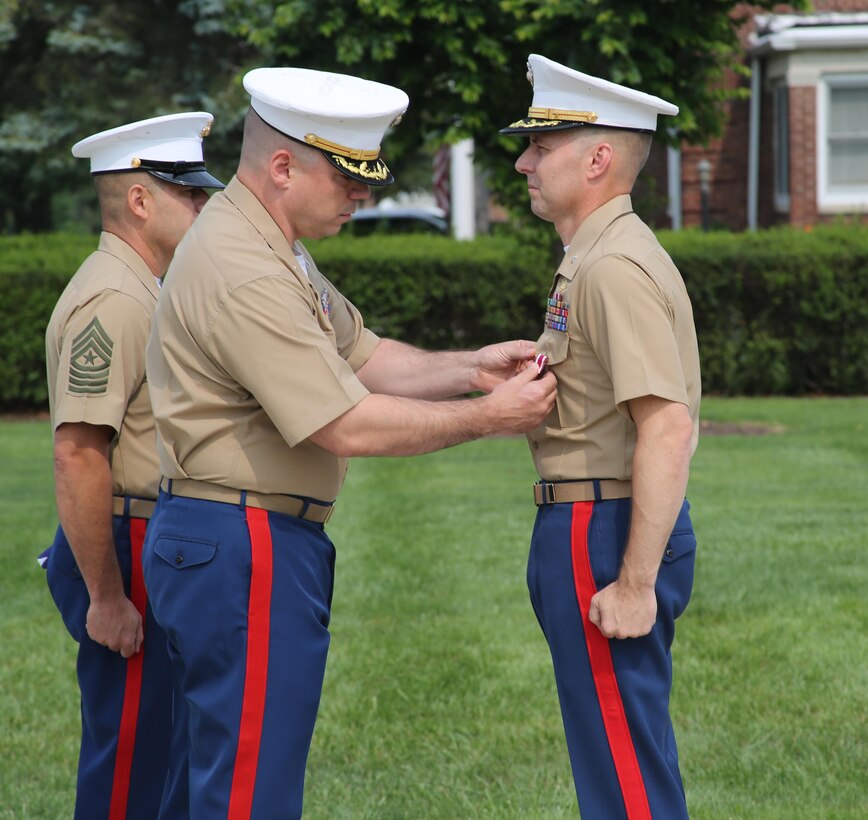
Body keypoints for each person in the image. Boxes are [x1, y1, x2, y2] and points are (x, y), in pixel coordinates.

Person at [141, 66, 557, 819]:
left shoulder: (269, 245)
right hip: (244, 540)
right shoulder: (243, 266)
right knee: (247, 792)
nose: (362, 194)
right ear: (280, 166)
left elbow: (362, 355)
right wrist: (487, 419)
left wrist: (471, 370)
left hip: (233, 534)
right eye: (346, 176)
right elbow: (346, 423)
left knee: (213, 776)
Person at [499, 54, 702, 819]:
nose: (523, 161)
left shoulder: (611, 265)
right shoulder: (594, 256)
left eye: (540, 146)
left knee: (622, 772)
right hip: (591, 517)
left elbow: (666, 425)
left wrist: (636, 583)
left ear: (597, 158)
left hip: (604, 524)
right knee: (616, 759)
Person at [42, 113, 224, 819]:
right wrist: (107, 597)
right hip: (126, 546)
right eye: (192, 194)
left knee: (166, 755)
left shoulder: (146, 286)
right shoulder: (113, 297)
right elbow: (79, 452)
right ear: (142, 201)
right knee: (132, 770)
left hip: (150, 539)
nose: (207, 208)